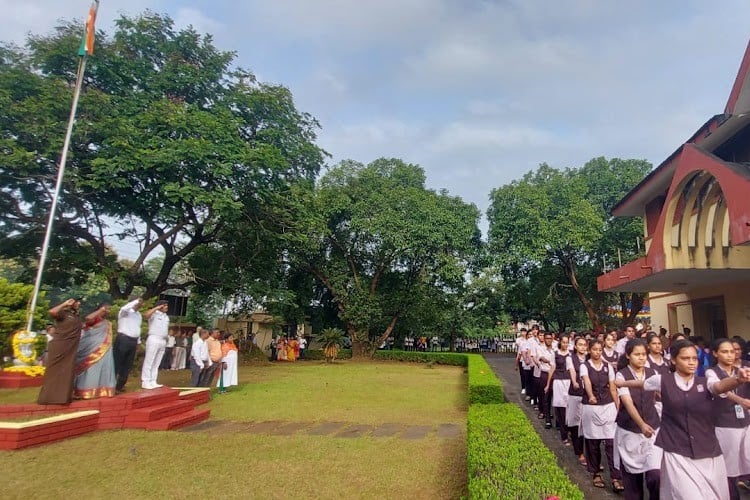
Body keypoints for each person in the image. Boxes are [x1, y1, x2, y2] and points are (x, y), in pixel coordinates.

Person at [619, 339, 750, 499]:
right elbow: (642, 383)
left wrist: (737, 379)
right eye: (685, 358)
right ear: (673, 360)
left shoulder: (706, 382)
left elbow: (719, 387)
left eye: (694, 359)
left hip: (708, 453)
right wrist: (621, 382)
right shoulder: (663, 380)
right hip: (677, 453)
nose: (691, 363)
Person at [614, 338, 662, 499]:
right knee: (633, 481)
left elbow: (660, 396)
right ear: (628, 355)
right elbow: (627, 403)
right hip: (630, 431)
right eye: (637, 354)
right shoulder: (621, 375)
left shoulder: (652, 373)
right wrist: (641, 424)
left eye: (643, 354)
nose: (641, 358)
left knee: (656, 475)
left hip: (653, 429)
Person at [706, 338, 750, 500]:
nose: (730, 355)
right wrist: (741, 400)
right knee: (728, 468)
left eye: (732, 351)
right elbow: (719, 388)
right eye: (724, 352)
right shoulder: (712, 372)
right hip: (725, 424)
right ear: (715, 353)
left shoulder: (743, 369)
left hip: (746, 422)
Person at [580, 339, 623, 491]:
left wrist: (618, 406)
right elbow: (587, 382)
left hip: (608, 406)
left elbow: (612, 388)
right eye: (595, 349)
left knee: (611, 443)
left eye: (600, 349)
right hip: (591, 408)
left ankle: (615, 477)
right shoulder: (584, 366)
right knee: (593, 443)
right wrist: (591, 396)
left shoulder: (608, 367)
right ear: (589, 351)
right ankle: (595, 472)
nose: (598, 352)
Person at [38, 298, 83, 405]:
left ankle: (62, 398)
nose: (79, 303)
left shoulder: (75, 316)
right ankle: (48, 398)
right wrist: (64, 304)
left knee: (67, 372)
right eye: (77, 301)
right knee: (54, 371)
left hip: (70, 347)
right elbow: (52, 312)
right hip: (59, 345)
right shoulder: (63, 313)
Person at [73, 303, 116, 399]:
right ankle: (86, 391)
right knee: (92, 369)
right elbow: (88, 319)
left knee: (104, 368)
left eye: (109, 309)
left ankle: (102, 390)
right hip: (92, 348)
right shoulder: (95, 318)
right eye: (106, 309)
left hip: (105, 349)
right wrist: (101, 311)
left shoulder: (107, 322)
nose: (108, 311)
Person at [566, 336, 589, 467]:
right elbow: (572, 371)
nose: (582, 347)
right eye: (580, 345)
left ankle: (589, 456)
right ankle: (579, 452)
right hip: (575, 394)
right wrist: (574, 382)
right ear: (575, 346)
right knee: (575, 424)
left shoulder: (589, 358)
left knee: (586, 425)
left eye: (584, 345)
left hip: (587, 394)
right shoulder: (571, 358)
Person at [113, 296, 143, 393]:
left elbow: (138, 328)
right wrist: (135, 301)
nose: (140, 303)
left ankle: (120, 385)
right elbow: (123, 308)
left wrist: (138, 342)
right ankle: (111, 385)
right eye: (138, 302)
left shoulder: (139, 315)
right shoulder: (125, 312)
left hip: (133, 341)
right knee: (118, 362)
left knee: (127, 364)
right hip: (123, 339)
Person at [544, 334, 570, 444]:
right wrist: (548, 384)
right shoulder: (555, 355)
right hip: (558, 382)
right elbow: (552, 369)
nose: (565, 344)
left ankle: (568, 429)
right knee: (560, 407)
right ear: (560, 342)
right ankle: (563, 434)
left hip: (568, 382)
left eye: (567, 342)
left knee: (569, 407)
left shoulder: (571, 354)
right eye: (563, 342)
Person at [140, 300, 170, 390]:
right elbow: (146, 315)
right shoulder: (154, 314)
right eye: (165, 306)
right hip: (154, 338)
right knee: (150, 360)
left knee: (157, 362)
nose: (167, 307)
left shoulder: (166, 317)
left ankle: (153, 380)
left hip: (163, 340)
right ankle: (145, 381)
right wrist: (157, 308)